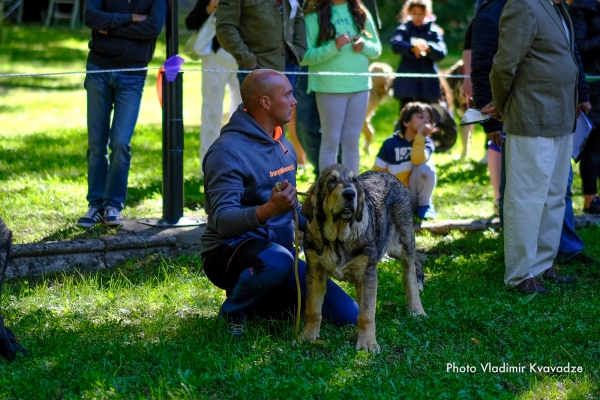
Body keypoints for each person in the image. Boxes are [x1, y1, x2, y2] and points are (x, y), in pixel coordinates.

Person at [201, 69, 359, 336]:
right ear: (265, 102)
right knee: (277, 262)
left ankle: (261, 300)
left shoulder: (281, 141)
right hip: (228, 252)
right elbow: (223, 221)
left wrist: (333, 228)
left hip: (281, 256)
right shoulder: (226, 152)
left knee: (348, 316)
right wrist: (268, 210)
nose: (294, 101)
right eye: (287, 94)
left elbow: (293, 207)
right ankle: (233, 314)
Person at [488, 0, 585, 294]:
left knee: (554, 196)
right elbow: (504, 66)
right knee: (527, 198)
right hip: (530, 114)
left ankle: (542, 265)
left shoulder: (557, 7)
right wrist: (504, 105)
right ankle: (520, 275)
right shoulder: (523, 5)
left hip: (561, 117)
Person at [77, 0, 166, 228]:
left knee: (120, 142)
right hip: (99, 69)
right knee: (97, 143)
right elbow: (91, 18)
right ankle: (95, 205)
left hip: (133, 75)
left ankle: (113, 205)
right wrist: (130, 18)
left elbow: (154, 27)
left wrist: (111, 28)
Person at [300, 0, 382, 176]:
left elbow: (376, 50)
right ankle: (328, 191)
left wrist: (364, 46)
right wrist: (333, 47)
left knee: (352, 141)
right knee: (330, 142)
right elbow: (304, 56)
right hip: (329, 88)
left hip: (360, 86)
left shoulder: (361, 13)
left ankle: (352, 191)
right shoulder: (314, 17)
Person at [185, 0, 242, 174]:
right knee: (211, 111)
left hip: (245, 55)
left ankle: (240, 163)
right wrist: (210, 8)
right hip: (215, 56)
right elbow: (190, 22)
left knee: (242, 113)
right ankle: (208, 167)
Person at [215, 0, 307, 89]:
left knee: (287, 105)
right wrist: (248, 60)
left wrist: (299, 50)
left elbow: (298, 16)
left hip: (289, 66)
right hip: (257, 68)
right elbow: (225, 28)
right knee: (259, 105)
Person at [373, 102, 437, 220]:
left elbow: (417, 159)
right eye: (420, 117)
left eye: (428, 119)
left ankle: (424, 206)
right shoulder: (390, 143)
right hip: (396, 196)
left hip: (414, 195)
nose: (425, 122)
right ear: (406, 122)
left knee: (426, 168)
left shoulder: (426, 143)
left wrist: (420, 136)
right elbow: (378, 173)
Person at [569, 0, 600, 215]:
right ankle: (591, 201)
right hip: (593, 86)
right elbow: (577, 47)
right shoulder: (582, 7)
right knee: (594, 143)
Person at [390, 0, 447, 113]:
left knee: (425, 117)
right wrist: (411, 48)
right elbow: (395, 44)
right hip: (407, 84)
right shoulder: (404, 29)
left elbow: (442, 52)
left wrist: (429, 48)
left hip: (428, 84)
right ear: (408, 13)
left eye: (421, 13)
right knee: (406, 117)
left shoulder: (433, 31)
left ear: (427, 13)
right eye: (414, 13)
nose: (417, 17)